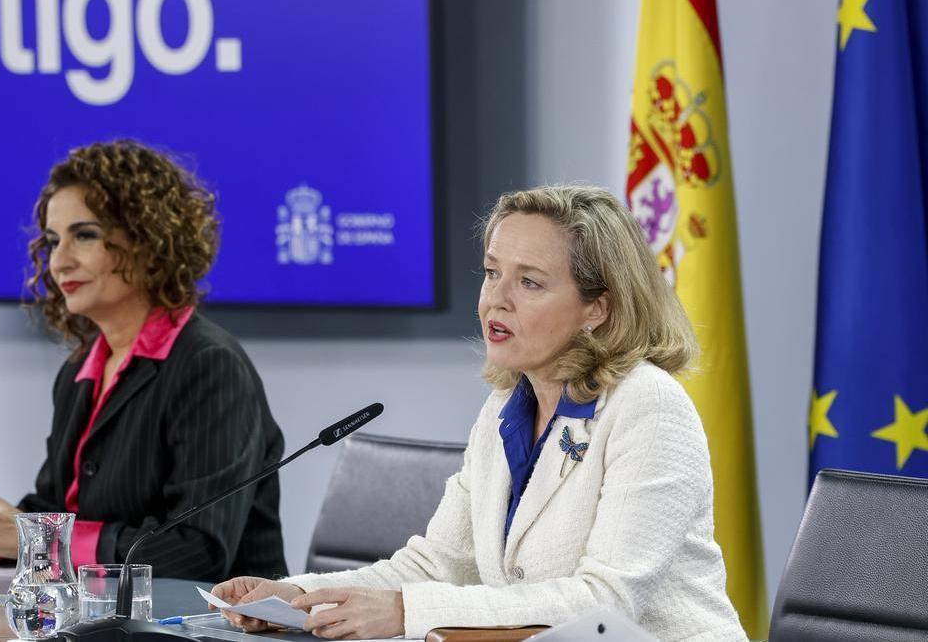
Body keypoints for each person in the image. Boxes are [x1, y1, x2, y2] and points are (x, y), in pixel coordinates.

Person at [212, 186, 747, 641]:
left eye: (529, 282)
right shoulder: (505, 407)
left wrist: (405, 612)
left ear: (597, 308)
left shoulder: (647, 405)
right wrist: (298, 596)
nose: (496, 299)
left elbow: (605, 604)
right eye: (492, 273)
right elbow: (437, 564)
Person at [0, 139, 287, 581]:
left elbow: (197, 551)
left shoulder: (209, 366)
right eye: (53, 241)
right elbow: (57, 508)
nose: (59, 262)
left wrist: (35, 537)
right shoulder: (80, 370)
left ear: (149, 241)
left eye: (84, 235)